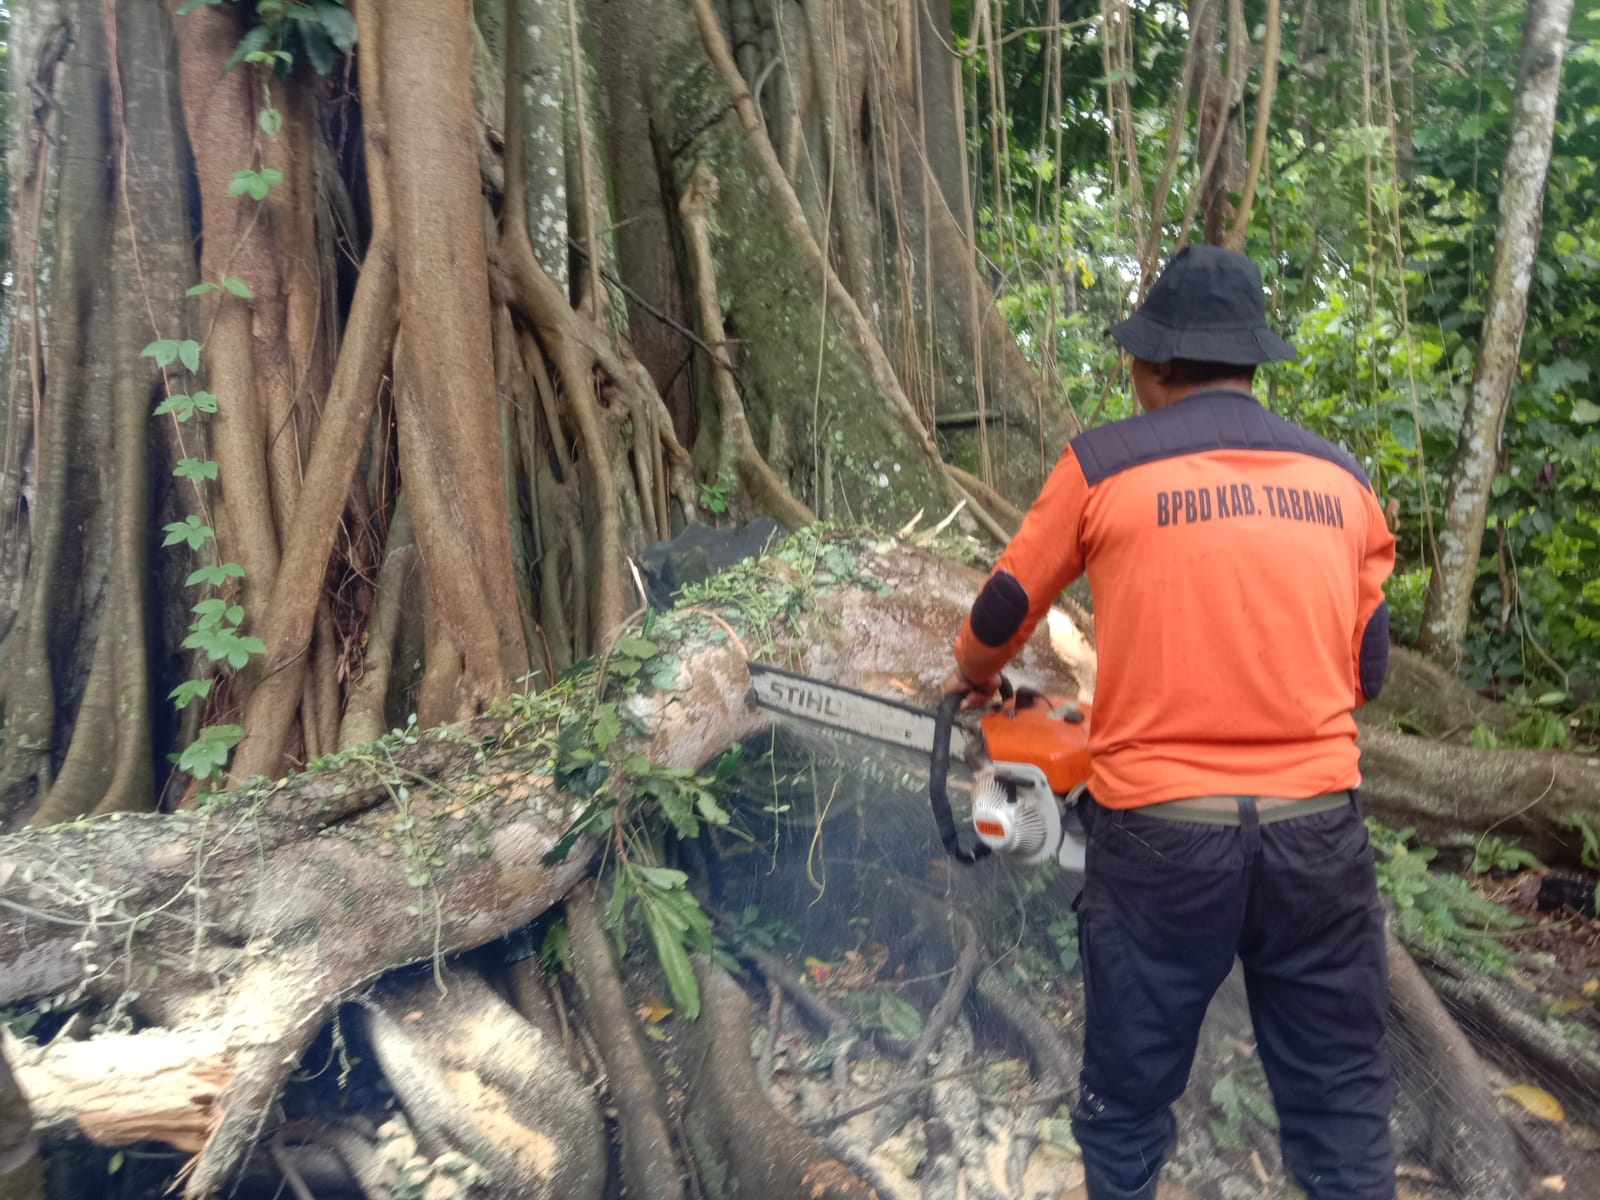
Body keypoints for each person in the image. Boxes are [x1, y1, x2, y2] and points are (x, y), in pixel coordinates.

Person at [942, 245, 1398, 1200]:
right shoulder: (1343, 481)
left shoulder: (1103, 464)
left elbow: (1004, 608)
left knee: (1127, 1097)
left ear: (1152, 363)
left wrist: (976, 677)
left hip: (1161, 842)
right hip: (1317, 838)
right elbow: (1369, 671)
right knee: (1342, 1108)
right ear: (1252, 363)